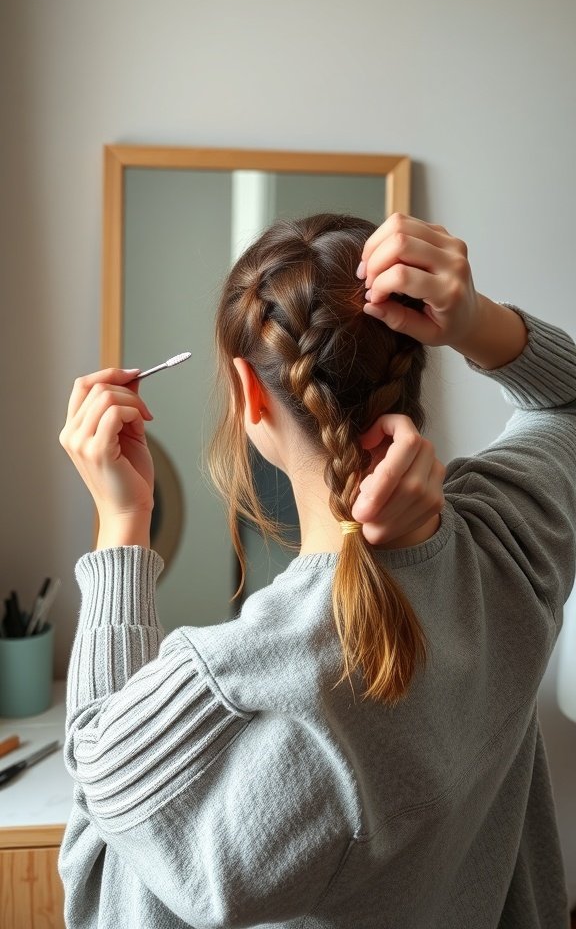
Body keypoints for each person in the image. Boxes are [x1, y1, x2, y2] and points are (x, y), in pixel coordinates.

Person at [58, 213, 576, 929]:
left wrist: (122, 527)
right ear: (417, 351)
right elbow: (567, 402)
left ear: (249, 393)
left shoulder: (245, 693)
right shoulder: (509, 544)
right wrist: (478, 320)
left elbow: (105, 817)